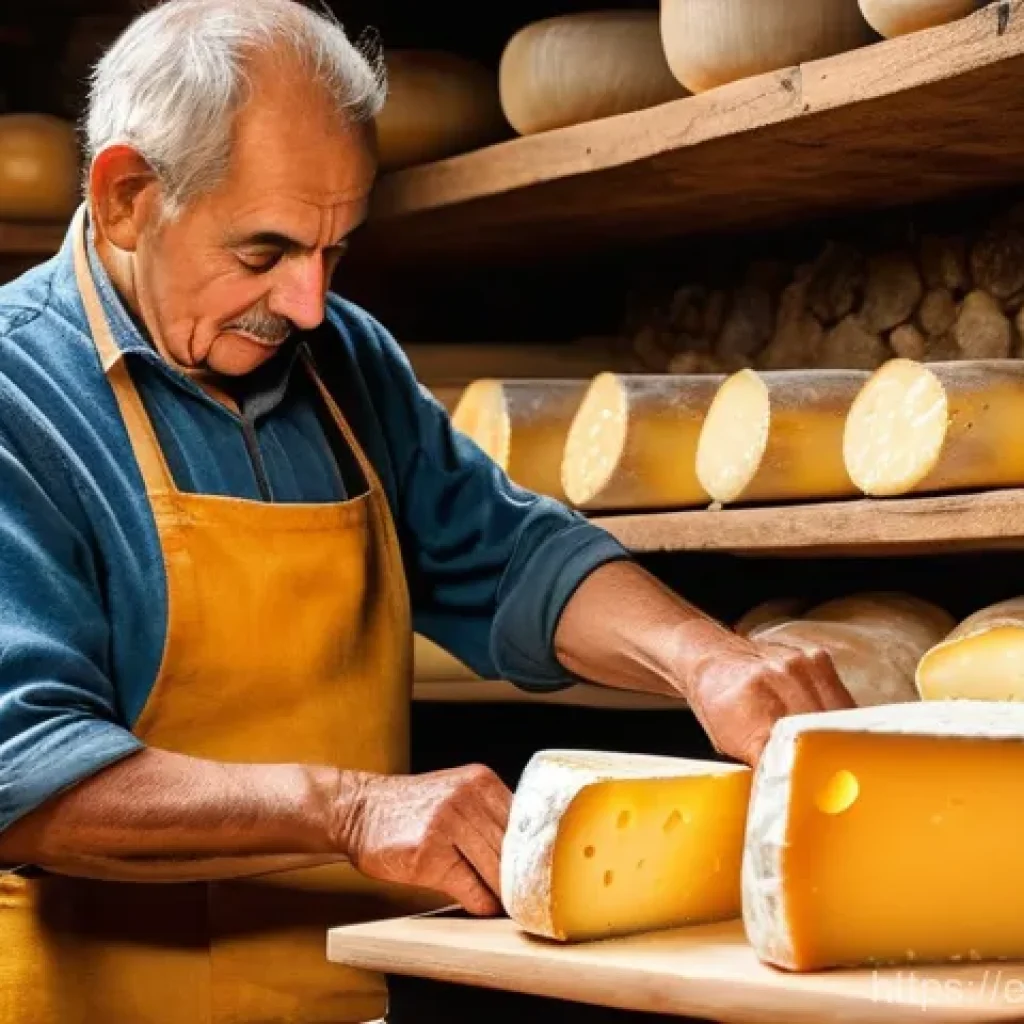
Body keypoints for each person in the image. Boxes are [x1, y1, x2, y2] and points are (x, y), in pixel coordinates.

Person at [0, 1, 854, 1021]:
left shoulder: (341, 356)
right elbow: (28, 774)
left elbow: (509, 558)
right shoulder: (17, 396)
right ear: (128, 196)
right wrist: (354, 810)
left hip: (341, 994)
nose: (309, 302)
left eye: (336, 249)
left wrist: (698, 656)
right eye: (264, 251)